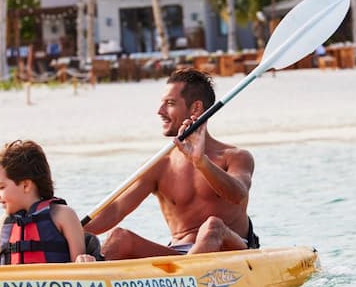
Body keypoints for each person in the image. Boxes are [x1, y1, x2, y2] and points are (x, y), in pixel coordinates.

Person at [84, 68, 258, 260]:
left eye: (170, 103)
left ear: (195, 109)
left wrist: (201, 162)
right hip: (181, 256)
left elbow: (239, 195)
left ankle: (190, 276)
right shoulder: (160, 165)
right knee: (119, 237)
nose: (160, 111)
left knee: (212, 227)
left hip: (232, 251)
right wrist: (68, 228)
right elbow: (116, 209)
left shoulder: (235, 156)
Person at [0, 139, 96, 265]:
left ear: (26, 185)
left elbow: (79, 269)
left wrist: (83, 261)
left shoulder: (63, 215)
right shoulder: (5, 222)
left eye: (1, 187)